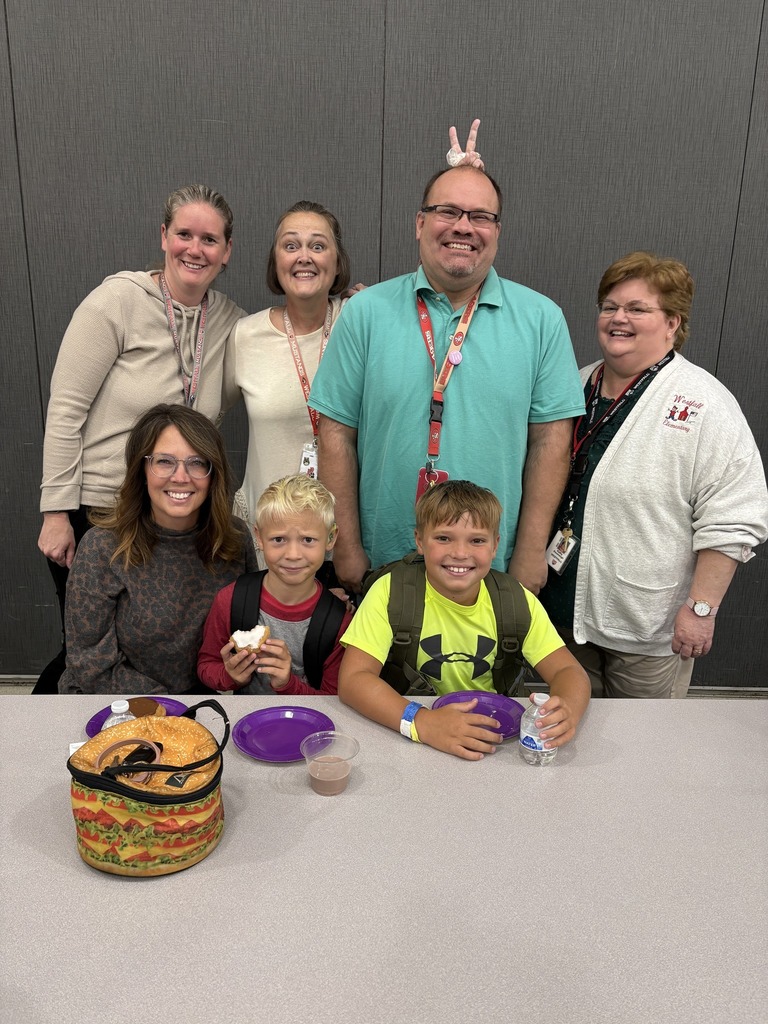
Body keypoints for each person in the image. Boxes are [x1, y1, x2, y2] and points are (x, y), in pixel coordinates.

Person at [309, 163, 585, 595]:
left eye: (480, 216)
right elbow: (335, 434)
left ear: (497, 230)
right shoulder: (365, 313)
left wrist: (531, 551)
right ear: (420, 223)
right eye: (448, 211)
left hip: (493, 570)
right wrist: (346, 546)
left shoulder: (541, 320)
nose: (464, 227)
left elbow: (551, 442)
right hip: (385, 564)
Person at [36, 184, 246, 690]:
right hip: (101, 509)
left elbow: (289, 340)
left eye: (210, 239)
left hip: (176, 511)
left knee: (167, 643)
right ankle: (46, 728)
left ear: (226, 251)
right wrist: (55, 512)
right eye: (184, 235)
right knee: (89, 651)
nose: (195, 249)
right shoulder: (118, 301)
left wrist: (341, 304)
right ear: (163, 237)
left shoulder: (231, 323)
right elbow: (66, 410)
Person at [538, 252, 768, 698]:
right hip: (562, 609)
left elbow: (735, 516)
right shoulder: (575, 384)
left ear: (672, 324)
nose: (618, 318)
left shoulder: (704, 403)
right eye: (609, 306)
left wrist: (701, 610)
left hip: (646, 623)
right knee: (571, 735)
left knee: (646, 748)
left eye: (637, 309)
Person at [338, 480, 590, 760]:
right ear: (420, 541)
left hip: (495, 740)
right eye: (443, 538)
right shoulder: (389, 592)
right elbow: (353, 680)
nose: (460, 553)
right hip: (406, 733)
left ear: (495, 546)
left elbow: (569, 672)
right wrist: (422, 722)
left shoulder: (514, 600)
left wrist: (565, 710)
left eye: (477, 540)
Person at [59, 405, 258, 694]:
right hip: (113, 701)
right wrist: (173, 712)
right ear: (142, 470)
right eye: (164, 462)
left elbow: (251, 626)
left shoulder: (235, 539)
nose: (181, 477)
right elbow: (91, 665)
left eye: (197, 462)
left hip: (202, 702)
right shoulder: (102, 547)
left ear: (213, 474)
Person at [224, 201, 352, 528]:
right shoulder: (246, 335)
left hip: (341, 536)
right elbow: (203, 417)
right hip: (265, 534)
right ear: (276, 262)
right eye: (290, 245)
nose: (303, 257)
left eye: (318, 246)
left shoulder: (359, 322)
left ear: (337, 263)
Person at [198, 474, 353, 694]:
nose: (292, 554)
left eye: (308, 540)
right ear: (259, 538)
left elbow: (334, 699)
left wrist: (288, 684)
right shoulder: (231, 600)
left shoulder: (339, 622)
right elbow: (206, 665)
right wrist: (229, 676)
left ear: (330, 538)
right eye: (279, 539)